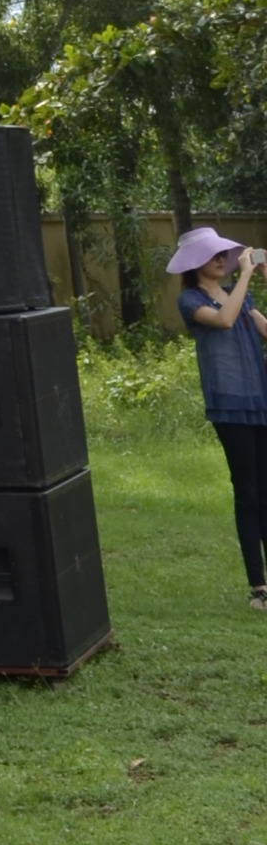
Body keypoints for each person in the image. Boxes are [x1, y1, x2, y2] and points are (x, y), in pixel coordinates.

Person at [169, 225, 267, 608]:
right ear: (196, 264)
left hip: (260, 400)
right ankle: (258, 588)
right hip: (229, 404)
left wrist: (260, 278)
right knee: (248, 493)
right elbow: (224, 320)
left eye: (224, 255)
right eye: (215, 257)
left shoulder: (236, 294)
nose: (223, 260)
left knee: (266, 492)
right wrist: (244, 276)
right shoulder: (191, 300)